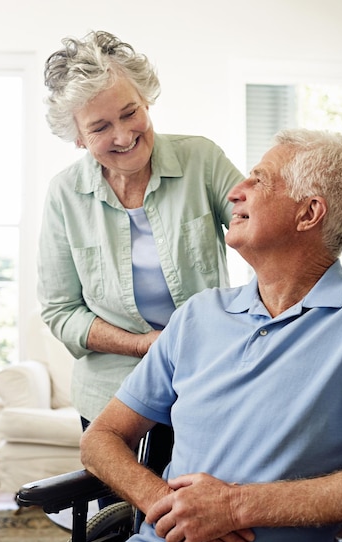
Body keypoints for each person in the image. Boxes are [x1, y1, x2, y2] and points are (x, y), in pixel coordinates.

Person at [0, 129, 342, 542]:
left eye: (259, 180)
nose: (235, 191)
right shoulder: (197, 317)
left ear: (308, 213)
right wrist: (164, 501)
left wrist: (236, 507)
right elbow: (101, 438)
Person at [37, 30, 245, 429]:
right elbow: (61, 311)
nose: (123, 135)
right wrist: (141, 346)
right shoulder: (65, 194)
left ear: (146, 100)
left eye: (130, 112)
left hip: (206, 382)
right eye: (99, 127)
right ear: (78, 138)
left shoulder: (201, 159)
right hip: (111, 396)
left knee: (200, 492)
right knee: (120, 493)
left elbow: (261, 228)